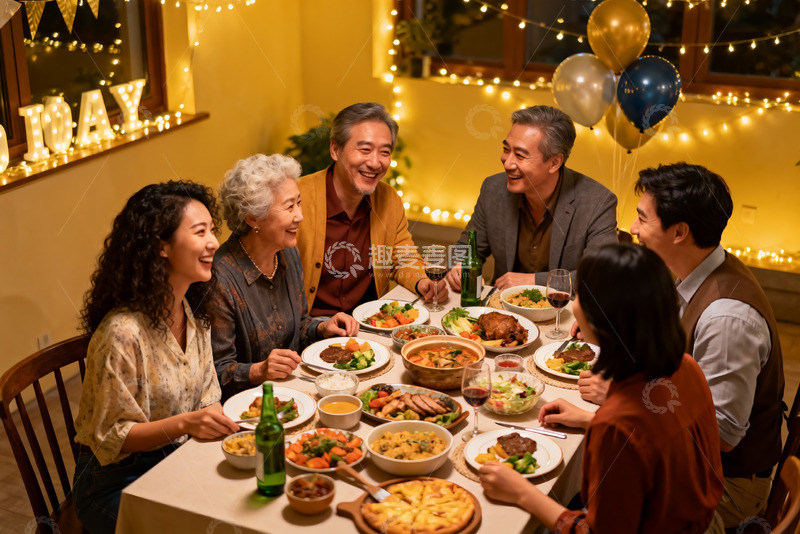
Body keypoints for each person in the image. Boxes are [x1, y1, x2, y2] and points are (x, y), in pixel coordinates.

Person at [479, 243, 724, 533]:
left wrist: (522, 493)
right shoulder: (687, 366)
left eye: (580, 295)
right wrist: (590, 420)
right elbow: (655, 438)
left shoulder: (617, 426)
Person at [72, 181, 240, 534]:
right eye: (200, 232)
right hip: (117, 482)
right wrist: (186, 424)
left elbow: (208, 398)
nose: (213, 242)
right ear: (161, 246)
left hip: (176, 460)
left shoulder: (193, 312)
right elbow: (112, 436)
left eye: (212, 230)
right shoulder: (122, 332)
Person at [627, 162, 785, 528]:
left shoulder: (726, 318)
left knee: (608, 492)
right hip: (695, 461)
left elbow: (721, 435)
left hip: (727, 483)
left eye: (642, 218)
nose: (633, 228)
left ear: (679, 232)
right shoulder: (700, 269)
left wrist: (627, 405)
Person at [213, 154, 358, 399]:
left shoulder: (286, 252)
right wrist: (259, 371)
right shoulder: (220, 279)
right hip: (250, 407)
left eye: (298, 203)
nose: (300, 216)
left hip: (296, 392)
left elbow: (299, 325)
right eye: (289, 207)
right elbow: (216, 373)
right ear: (253, 218)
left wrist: (322, 328)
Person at [296, 102, 448, 316]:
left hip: (369, 324)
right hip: (308, 327)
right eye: (365, 150)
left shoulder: (389, 200)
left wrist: (422, 281)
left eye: (384, 152)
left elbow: (402, 257)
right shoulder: (297, 198)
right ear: (335, 149)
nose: (375, 163)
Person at [446, 105, 617, 292]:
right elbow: (465, 249)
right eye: (506, 149)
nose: (507, 163)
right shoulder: (493, 189)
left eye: (520, 155)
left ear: (554, 162)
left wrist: (534, 281)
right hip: (500, 306)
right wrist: (458, 267)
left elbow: (602, 276)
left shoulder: (597, 202)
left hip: (561, 309)